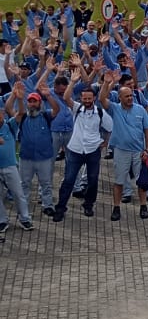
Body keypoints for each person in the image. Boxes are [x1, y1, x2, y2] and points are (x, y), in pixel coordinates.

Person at [53, 75, 112, 222]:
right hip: (75, 149)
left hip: (93, 151)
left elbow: (110, 127)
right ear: (81, 98)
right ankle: (60, 208)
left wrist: (105, 142)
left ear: (94, 98)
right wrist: (72, 81)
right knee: (69, 180)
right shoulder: (77, 109)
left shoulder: (100, 112)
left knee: (92, 180)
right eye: (84, 98)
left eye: (89, 99)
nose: (86, 101)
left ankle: (88, 205)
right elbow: (66, 97)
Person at [99, 75, 148, 221]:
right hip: (121, 151)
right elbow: (102, 99)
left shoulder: (140, 110)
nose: (130, 98)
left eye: (131, 95)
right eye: (127, 96)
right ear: (120, 98)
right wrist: (107, 83)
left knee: (142, 181)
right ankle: (116, 208)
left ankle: (143, 206)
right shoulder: (114, 109)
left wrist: (147, 149)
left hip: (138, 152)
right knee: (119, 181)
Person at [6, 81, 57, 217]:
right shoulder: (22, 117)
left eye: (35, 102)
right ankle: (23, 210)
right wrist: (16, 96)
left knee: (46, 183)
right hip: (26, 158)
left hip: (44, 157)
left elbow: (56, 110)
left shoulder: (46, 116)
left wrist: (49, 95)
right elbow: (8, 108)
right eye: (30, 102)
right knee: (24, 185)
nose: (32, 104)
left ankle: (48, 206)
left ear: (40, 103)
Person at [0, 108, 34, 233]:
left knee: (18, 194)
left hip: (10, 166)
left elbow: (21, 114)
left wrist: (19, 98)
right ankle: (2, 221)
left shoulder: (10, 125)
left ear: (2, 114)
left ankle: (25, 219)